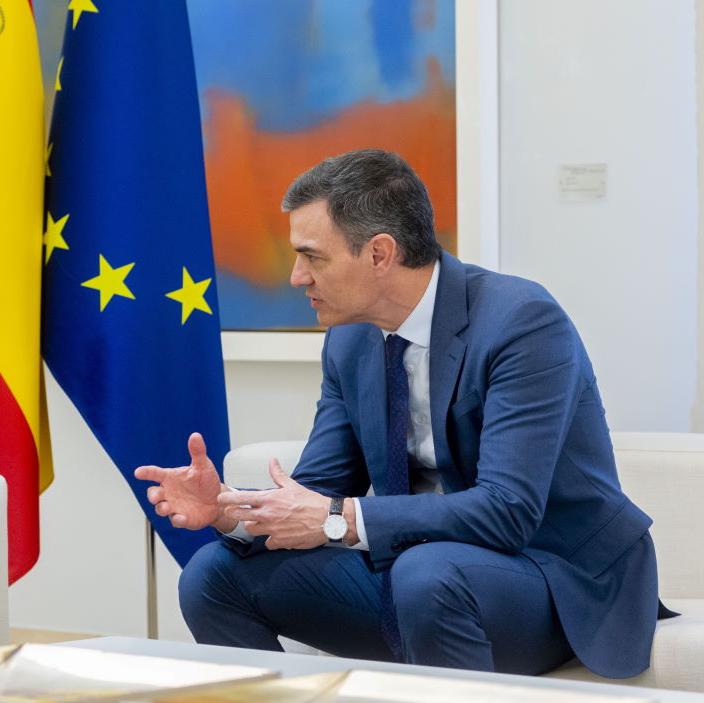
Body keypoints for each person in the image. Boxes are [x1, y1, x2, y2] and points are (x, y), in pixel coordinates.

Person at [136, 149, 672, 677]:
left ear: (378, 254)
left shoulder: (521, 322)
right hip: (426, 573)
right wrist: (232, 509)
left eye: (312, 256)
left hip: (553, 574)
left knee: (426, 573)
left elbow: (507, 511)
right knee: (213, 573)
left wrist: (338, 519)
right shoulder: (348, 341)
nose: (297, 276)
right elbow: (319, 487)